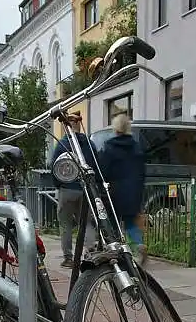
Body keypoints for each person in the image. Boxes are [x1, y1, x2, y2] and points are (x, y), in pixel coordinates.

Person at [49, 111, 98, 268]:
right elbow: (97, 164)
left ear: (66, 125)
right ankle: (91, 252)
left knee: (65, 225)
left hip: (67, 189)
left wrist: (59, 185)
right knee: (87, 223)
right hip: (85, 190)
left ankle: (68, 258)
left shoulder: (62, 144)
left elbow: (53, 167)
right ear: (78, 125)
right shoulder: (89, 144)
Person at [99, 113, 148, 266]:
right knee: (130, 222)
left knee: (113, 223)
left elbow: (103, 171)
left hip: (114, 191)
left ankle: (117, 253)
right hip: (134, 191)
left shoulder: (109, 147)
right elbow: (142, 171)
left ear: (115, 128)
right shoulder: (136, 147)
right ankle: (138, 245)